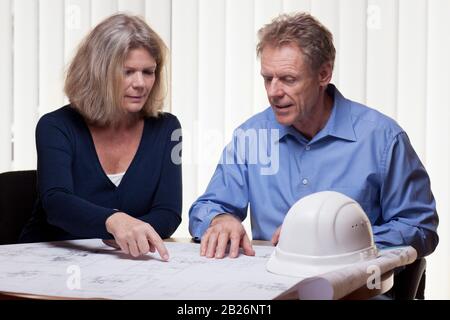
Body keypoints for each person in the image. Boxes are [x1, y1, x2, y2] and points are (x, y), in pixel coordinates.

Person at [189, 12, 438, 259]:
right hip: (272, 288)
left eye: (288, 79)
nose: (274, 92)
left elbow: (419, 227)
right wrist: (219, 220)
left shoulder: (382, 138)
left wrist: (340, 238)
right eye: (267, 79)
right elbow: (206, 208)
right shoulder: (251, 137)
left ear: (323, 74)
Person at [20, 13, 182, 260]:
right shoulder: (56, 126)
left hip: (123, 267)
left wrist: (130, 233)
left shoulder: (168, 129)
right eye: (127, 72)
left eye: (148, 72)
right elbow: (57, 203)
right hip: (45, 263)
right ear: (99, 73)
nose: (140, 83)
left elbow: (168, 212)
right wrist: (113, 221)